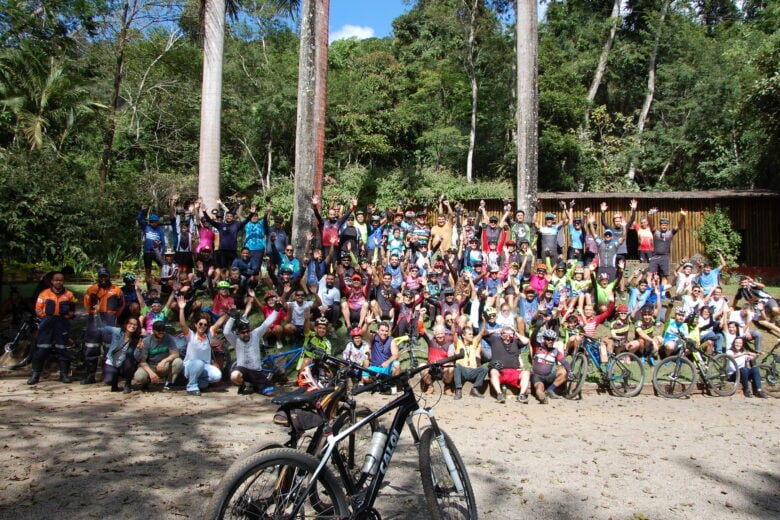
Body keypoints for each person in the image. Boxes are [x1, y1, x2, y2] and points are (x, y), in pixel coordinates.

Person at [28, 272, 77, 385]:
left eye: (61, 280)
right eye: (56, 280)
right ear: (52, 281)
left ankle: (64, 374)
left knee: (62, 349)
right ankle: (35, 375)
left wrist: (67, 315)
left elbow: (73, 310)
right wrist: (45, 317)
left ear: (63, 281)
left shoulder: (69, 294)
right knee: (42, 349)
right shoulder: (44, 294)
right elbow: (38, 309)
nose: (58, 282)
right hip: (47, 323)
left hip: (62, 323)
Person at [82, 267, 125, 384]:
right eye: (101, 276)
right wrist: (93, 313)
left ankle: (108, 375)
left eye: (105, 276)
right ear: (98, 277)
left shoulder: (117, 290)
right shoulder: (91, 289)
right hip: (94, 319)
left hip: (110, 320)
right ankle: (90, 375)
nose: (103, 279)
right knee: (91, 347)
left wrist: (113, 316)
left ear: (109, 276)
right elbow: (86, 304)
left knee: (110, 348)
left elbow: (121, 305)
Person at [178, 296, 225, 396]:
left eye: (205, 324)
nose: (203, 326)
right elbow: (182, 324)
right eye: (200, 324)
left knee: (217, 375)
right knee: (198, 363)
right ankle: (191, 387)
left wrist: (229, 312)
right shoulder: (190, 335)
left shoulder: (209, 335)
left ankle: (198, 382)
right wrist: (181, 309)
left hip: (205, 366)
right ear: (195, 324)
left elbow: (219, 323)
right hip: (189, 366)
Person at [224, 310, 279, 396]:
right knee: (234, 376)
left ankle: (254, 385)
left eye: (247, 331)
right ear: (238, 333)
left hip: (256, 371)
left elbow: (266, 323)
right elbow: (226, 332)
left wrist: (276, 310)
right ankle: (243, 384)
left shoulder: (256, 334)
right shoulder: (236, 340)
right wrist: (232, 318)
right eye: (243, 332)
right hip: (242, 369)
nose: (246, 334)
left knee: (270, 393)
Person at [97, 314, 142, 393]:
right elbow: (101, 327)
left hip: (125, 364)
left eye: (135, 324)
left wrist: (139, 349)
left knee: (131, 361)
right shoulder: (117, 331)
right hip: (112, 361)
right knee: (108, 380)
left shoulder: (137, 339)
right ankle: (114, 384)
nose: (132, 326)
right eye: (130, 323)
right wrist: (97, 314)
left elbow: (137, 358)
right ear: (126, 324)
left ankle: (128, 384)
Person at [133, 321, 182, 391]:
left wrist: (164, 361)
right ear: (153, 331)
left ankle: (169, 382)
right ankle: (146, 382)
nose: (161, 332)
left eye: (163, 330)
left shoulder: (168, 338)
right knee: (139, 377)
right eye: (159, 331)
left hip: (164, 366)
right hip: (150, 366)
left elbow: (175, 353)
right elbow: (142, 361)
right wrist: (151, 373)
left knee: (178, 361)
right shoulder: (146, 341)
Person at [486, 326, 531, 403]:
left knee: (526, 373)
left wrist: (516, 333)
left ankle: (521, 395)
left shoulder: (515, 341)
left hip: (514, 372)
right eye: (506, 335)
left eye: (510, 335)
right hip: (500, 371)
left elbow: (526, 341)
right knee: (493, 371)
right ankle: (499, 394)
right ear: (501, 334)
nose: (508, 337)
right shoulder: (495, 340)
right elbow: (483, 333)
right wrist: (495, 330)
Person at [530, 329, 571, 404]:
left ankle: (550, 390)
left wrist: (570, 371)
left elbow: (564, 362)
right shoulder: (537, 347)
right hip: (537, 376)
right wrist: (538, 326)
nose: (550, 341)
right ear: (544, 338)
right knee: (539, 387)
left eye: (552, 339)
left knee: (563, 371)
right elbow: (532, 337)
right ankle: (542, 398)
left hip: (548, 376)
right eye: (548, 339)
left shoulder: (555, 351)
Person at [453, 324, 488, 399]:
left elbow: (481, 333)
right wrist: (453, 323)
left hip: (473, 371)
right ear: (463, 335)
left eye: (472, 334)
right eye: (469, 334)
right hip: (462, 371)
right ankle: (458, 390)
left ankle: (475, 389)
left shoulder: (474, 343)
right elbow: (453, 333)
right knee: (457, 366)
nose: (472, 336)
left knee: (484, 368)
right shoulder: (458, 343)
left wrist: (484, 321)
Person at [137, 207, 166, 287]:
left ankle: (162, 284)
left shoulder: (160, 230)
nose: (154, 223)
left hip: (156, 252)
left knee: (163, 267)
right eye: (152, 222)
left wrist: (161, 252)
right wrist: (142, 210)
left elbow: (163, 243)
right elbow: (139, 219)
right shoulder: (146, 227)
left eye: (155, 222)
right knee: (148, 271)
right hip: (147, 252)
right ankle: (149, 287)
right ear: (150, 222)